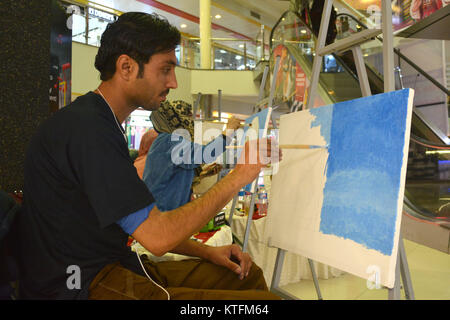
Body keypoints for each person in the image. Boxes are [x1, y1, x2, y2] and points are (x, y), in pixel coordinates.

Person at [16, 11, 281, 300]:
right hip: (79, 284)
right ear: (127, 67)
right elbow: (157, 237)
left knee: (246, 275)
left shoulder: (102, 123)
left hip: (115, 264)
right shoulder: (88, 129)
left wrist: (208, 252)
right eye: (166, 69)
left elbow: (141, 226)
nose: (174, 83)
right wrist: (240, 175)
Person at [143, 100, 241, 212]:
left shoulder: (164, 141)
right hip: (162, 215)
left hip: (162, 213)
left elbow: (172, 177)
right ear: (175, 117)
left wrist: (203, 174)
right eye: (188, 116)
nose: (191, 122)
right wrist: (228, 131)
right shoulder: (170, 140)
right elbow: (206, 154)